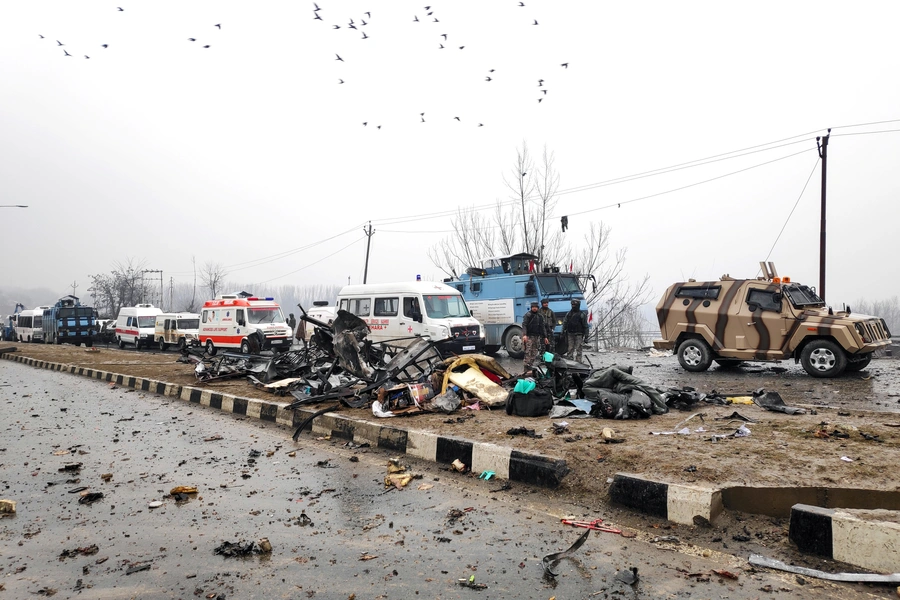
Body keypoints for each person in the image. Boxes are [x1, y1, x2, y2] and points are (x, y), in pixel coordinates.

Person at [521, 301, 548, 373]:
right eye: (533, 307)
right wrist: (524, 335)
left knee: (534, 352)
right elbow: (524, 325)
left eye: (536, 307)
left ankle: (530, 367)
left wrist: (545, 337)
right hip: (529, 336)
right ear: (531, 308)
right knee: (528, 351)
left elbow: (542, 327)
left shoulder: (540, 316)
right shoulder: (528, 315)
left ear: (538, 308)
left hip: (537, 337)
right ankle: (526, 369)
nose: (534, 309)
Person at [563, 299, 589, 364]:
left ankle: (578, 362)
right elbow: (565, 323)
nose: (573, 306)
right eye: (572, 305)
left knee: (579, 349)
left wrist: (586, 336)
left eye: (575, 305)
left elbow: (585, 326)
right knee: (570, 349)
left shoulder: (582, 315)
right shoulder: (569, 314)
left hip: (579, 334)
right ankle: (569, 362)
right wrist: (562, 331)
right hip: (570, 334)